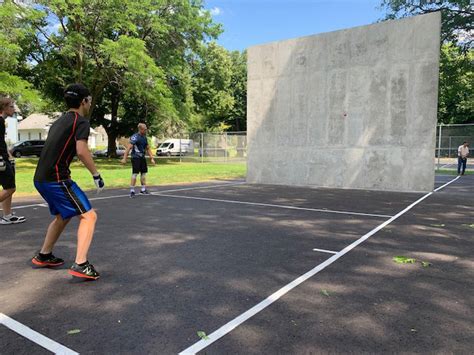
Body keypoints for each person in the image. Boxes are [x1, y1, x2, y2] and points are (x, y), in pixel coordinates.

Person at [32, 83, 104, 280]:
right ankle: (81, 264)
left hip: (40, 178)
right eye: (88, 100)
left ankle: (44, 255)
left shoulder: (59, 121)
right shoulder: (81, 122)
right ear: (84, 101)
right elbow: (81, 151)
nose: (89, 103)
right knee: (89, 217)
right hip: (57, 178)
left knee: (63, 215)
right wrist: (96, 174)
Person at [0, 97, 25, 225]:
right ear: (3, 108)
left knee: (7, 186)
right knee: (10, 188)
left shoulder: (2, 121)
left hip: (4, 158)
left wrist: (9, 155)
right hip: (1, 161)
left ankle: (7, 215)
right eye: (11, 106)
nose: (13, 109)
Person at [121, 123, 155, 197]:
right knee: (135, 174)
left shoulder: (144, 137)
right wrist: (124, 158)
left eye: (146, 129)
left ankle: (143, 190)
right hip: (136, 157)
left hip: (142, 157)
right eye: (144, 129)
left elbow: (148, 148)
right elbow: (128, 148)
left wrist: (152, 158)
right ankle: (132, 191)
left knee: (143, 174)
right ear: (140, 129)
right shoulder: (135, 137)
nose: (146, 130)